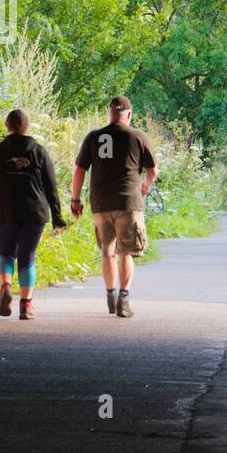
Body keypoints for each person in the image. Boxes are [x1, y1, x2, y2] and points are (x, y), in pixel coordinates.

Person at [71, 95, 157, 318]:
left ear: (110, 114)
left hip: (101, 203)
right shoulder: (138, 136)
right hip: (128, 202)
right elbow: (152, 170)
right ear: (128, 115)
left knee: (107, 253)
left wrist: (76, 199)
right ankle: (124, 300)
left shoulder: (93, 137)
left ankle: (110, 297)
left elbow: (79, 170)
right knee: (125, 253)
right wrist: (145, 186)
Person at [0, 108, 68, 320]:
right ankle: (25, 306)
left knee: (5, 253)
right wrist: (58, 218)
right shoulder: (39, 151)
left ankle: (5, 285)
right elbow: (51, 187)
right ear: (27, 127)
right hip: (34, 212)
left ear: (7, 126)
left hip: (4, 210)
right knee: (27, 256)